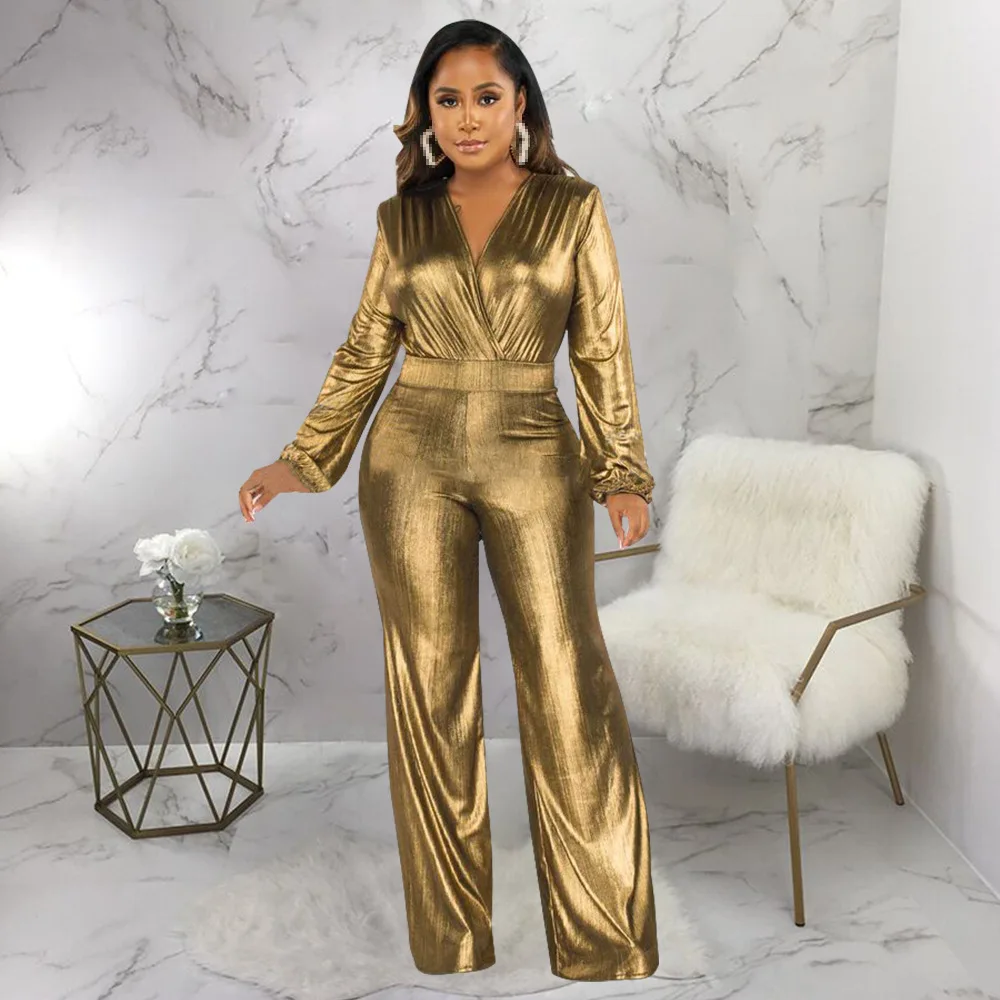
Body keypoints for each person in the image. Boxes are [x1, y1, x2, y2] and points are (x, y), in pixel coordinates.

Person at [237, 19, 659, 983]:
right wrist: (302, 459)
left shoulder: (573, 208)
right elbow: (365, 350)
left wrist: (621, 471)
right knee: (429, 691)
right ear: (426, 113)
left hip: (536, 452)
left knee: (566, 678)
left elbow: (600, 346)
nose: (467, 118)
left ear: (520, 106)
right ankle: (452, 939)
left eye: (486, 97)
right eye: (448, 100)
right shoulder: (404, 219)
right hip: (409, 459)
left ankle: (604, 939)